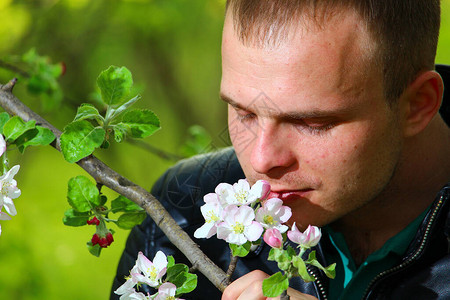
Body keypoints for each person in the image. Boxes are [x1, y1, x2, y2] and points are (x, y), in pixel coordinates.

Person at [111, 1, 450, 299]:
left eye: (311, 123)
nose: (261, 160)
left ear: (417, 105)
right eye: (244, 112)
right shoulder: (183, 209)